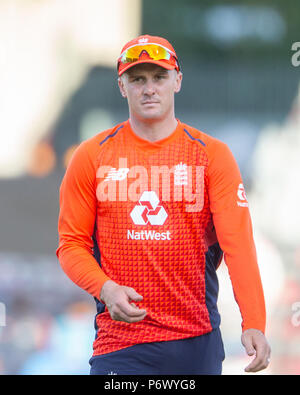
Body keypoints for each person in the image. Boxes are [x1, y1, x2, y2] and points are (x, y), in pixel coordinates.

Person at [56, 34, 271, 375]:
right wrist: (105, 288)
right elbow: (70, 245)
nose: (149, 89)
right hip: (120, 343)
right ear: (122, 86)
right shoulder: (92, 156)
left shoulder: (211, 155)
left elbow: (238, 246)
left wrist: (254, 321)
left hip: (195, 340)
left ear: (177, 81)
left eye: (159, 77)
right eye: (137, 79)